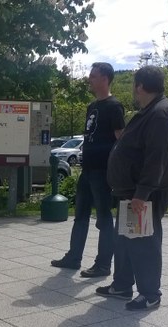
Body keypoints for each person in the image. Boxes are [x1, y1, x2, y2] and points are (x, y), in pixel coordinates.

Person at [98, 65, 168, 310]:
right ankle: (122, 285)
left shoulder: (160, 114)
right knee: (125, 240)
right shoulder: (149, 111)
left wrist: (142, 194)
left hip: (145, 194)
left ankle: (150, 293)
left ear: (140, 86)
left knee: (144, 242)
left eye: (134, 85)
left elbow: (157, 158)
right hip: (132, 191)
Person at [51, 62, 125, 278]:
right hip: (87, 170)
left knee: (104, 219)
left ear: (105, 79)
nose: (89, 79)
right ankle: (74, 257)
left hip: (102, 172)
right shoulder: (92, 106)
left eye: (93, 76)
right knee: (80, 215)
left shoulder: (114, 106)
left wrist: (117, 170)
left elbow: (121, 140)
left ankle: (103, 265)